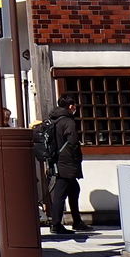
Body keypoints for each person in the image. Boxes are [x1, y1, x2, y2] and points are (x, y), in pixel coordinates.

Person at [47, 94, 87, 234]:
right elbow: (73, 142)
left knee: (73, 189)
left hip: (58, 159)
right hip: (67, 161)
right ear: (70, 106)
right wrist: (77, 157)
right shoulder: (68, 122)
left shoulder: (54, 120)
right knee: (60, 193)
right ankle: (56, 224)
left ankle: (77, 221)